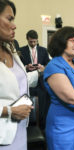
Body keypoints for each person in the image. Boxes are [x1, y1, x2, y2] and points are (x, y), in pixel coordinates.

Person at [0, 0, 43, 149]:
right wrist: (9, 110)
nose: (14, 25)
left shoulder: (10, 50)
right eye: (9, 19)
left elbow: (19, 81)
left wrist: (39, 72)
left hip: (19, 129)